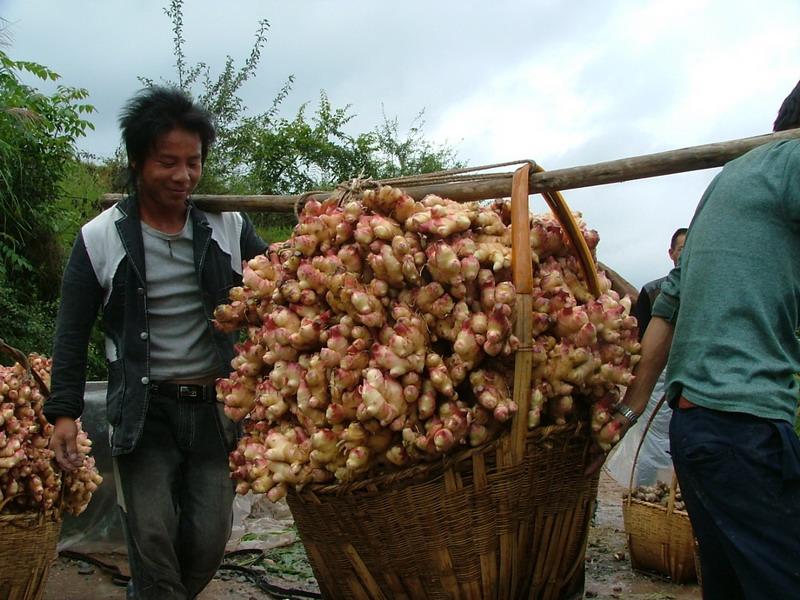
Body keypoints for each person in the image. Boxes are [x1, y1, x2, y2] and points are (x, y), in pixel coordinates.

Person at [44, 86, 267, 599]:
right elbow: (72, 331)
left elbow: (282, 284)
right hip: (145, 412)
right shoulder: (100, 238)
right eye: (168, 162)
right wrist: (64, 412)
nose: (183, 176)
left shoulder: (227, 227)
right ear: (138, 160)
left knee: (209, 540)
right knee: (151, 537)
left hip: (215, 408)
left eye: (194, 163)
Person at [598, 81, 800, 599]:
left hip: (699, 432)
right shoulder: (792, 163)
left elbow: (669, 305)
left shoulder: (730, 177)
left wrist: (628, 410)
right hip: (744, 426)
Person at [605, 228, 687, 487]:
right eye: (682, 249)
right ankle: (642, 490)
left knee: (676, 441)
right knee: (649, 440)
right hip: (656, 374)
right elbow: (638, 340)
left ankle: (671, 496)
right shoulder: (653, 291)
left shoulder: (701, 287)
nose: (686, 255)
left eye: (691, 249)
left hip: (682, 375)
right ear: (671, 253)